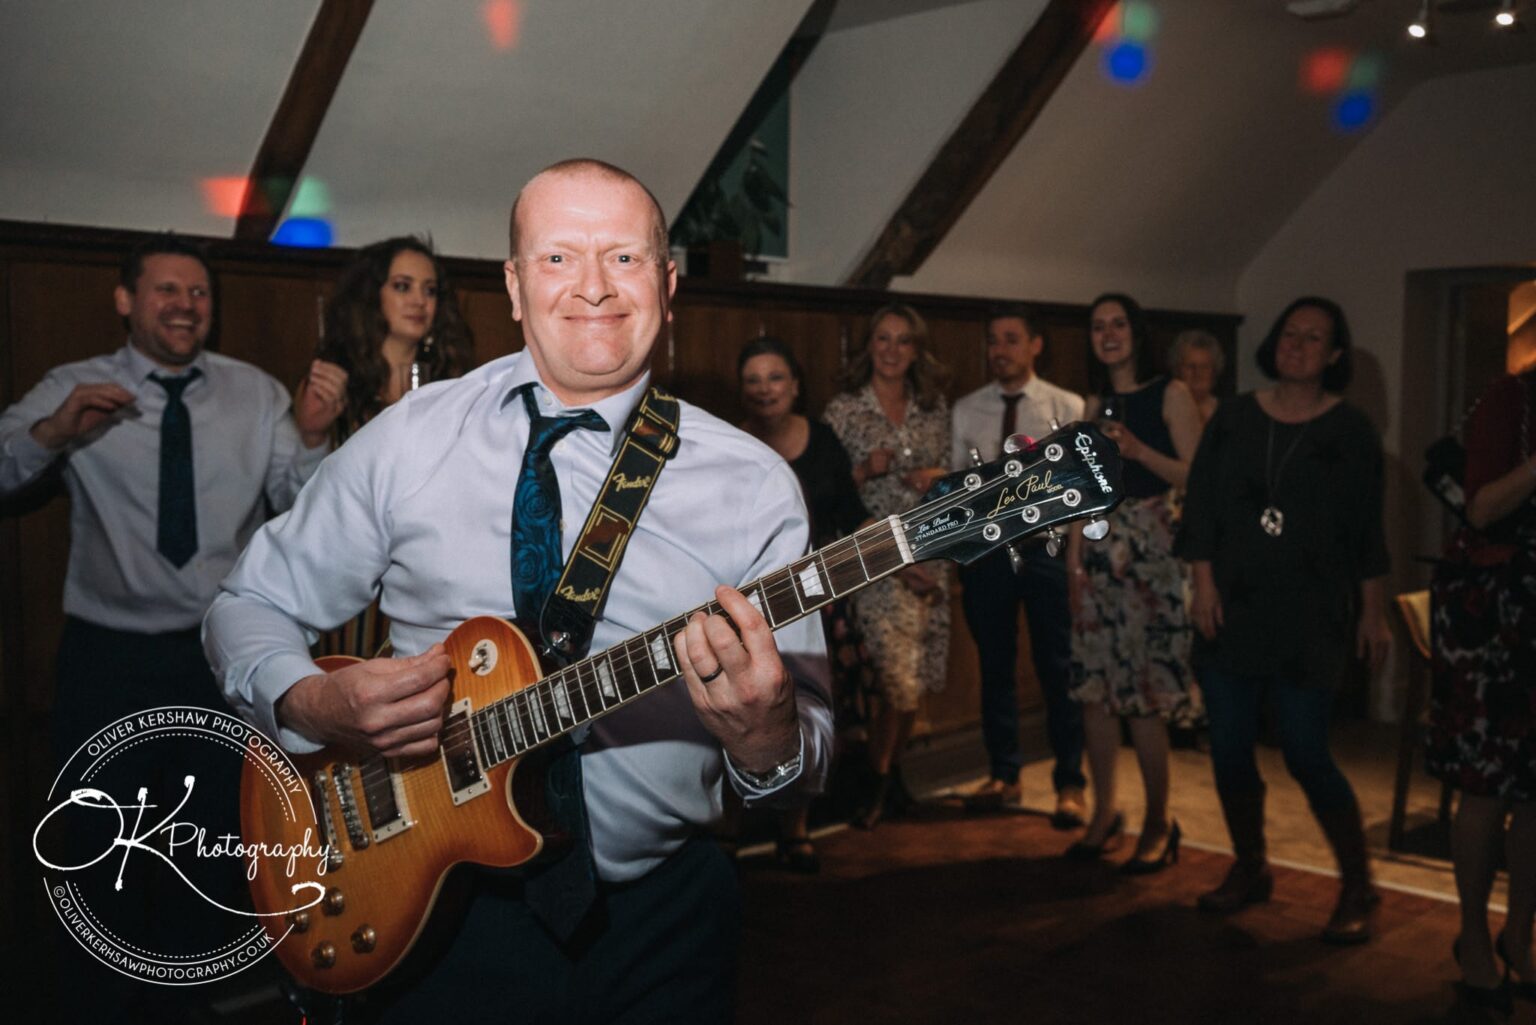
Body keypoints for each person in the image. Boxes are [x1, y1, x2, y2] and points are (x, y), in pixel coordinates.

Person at [204, 159, 832, 1023]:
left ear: (669, 282)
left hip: (661, 920)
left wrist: (768, 742)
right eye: (558, 258)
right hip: (432, 911)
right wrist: (311, 701)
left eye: (624, 258)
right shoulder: (411, 441)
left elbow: (809, 747)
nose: (594, 288)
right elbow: (245, 605)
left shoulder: (754, 484)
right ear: (511, 284)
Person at [0, 232, 341, 1021]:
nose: (185, 306)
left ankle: (214, 1005)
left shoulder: (255, 393)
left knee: (224, 851)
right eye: (166, 290)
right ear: (125, 300)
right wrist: (53, 431)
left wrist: (317, 433)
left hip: (220, 658)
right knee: (98, 858)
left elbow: (306, 506)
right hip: (107, 661)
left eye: (197, 293)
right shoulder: (76, 383)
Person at [1180, 296, 1391, 944]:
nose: (1296, 343)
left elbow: (1365, 533)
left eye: (1313, 337)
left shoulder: (1352, 431)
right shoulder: (1235, 418)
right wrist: (1203, 585)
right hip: (1233, 607)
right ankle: (1250, 867)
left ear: (1333, 357)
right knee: (1229, 746)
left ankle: (1358, 882)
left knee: (1304, 750)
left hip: (1312, 615)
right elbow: (1203, 509)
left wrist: (1374, 614)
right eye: (1289, 333)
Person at [1064, 293, 1200, 872]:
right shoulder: (1095, 401)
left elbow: (1198, 475)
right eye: (1098, 327)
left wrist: (1140, 449)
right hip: (1097, 555)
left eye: (1118, 324)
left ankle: (1158, 821)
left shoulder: (1171, 394)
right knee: (1095, 693)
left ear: (1136, 333)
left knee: (1143, 697)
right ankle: (1103, 814)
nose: (1108, 334)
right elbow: (1081, 490)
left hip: (1151, 556)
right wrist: (1072, 565)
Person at [950, 305, 1087, 827]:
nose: (999, 350)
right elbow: (959, 489)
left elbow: (1082, 489)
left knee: (1060, 669)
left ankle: (1070, 782)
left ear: (1035, 345)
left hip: (1048, 553)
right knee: (995, 669)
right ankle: (1004, 774)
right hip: (988, 556)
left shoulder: (1066, 405)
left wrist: (1076, 561)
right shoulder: (967, 409)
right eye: (992, 340)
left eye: (1011, 339)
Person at [738, 335, 872, 870]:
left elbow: (851, 510)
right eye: (752, 380)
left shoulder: (822, 439)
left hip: (820, 596)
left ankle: (795, 829)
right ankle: (735, 830)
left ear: (795, 386)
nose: (764, 389)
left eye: (774, 378)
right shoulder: (732, 443)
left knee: (807, 709)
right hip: (749, 599)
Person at [1425, 367, 1536, 1010]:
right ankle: (1471, 935)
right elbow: (1483, 506)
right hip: (1494, 608)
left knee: (1535, 790)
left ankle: (1518, 935)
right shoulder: (1511, 395)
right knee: (1486, 784)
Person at [309, 235, 476, 658]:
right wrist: (310, 432)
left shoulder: (457, 387)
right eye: (403, 286)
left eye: (429, 289)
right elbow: (299, 488)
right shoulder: (333, 382)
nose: (419, 300)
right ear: (371, 296)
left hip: (432, 573)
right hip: (351, 575)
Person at [823, 303, 952, 830]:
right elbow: (826, 493)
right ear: (869, 346)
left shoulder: (932, 408)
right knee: (893, 679)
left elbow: (954, 476)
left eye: (903, 341)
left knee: (916, 682)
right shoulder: (843, 412)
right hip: (872, 559)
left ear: (916, 350)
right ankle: (875, 781)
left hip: (931, 551)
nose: (892, 350)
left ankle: (892, 776)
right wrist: (861, 469)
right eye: (883, 339)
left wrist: (936, 474)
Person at [1169, 328, 1223, 426]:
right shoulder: (1167, 411)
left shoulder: (1228, 413)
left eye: (1204, 367)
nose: (1198, 373)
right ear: (1177, 370)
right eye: (1190, 366)